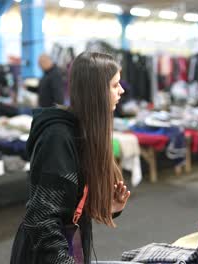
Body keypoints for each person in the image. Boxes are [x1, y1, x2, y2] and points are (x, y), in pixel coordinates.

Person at [10, 52, 130, 264]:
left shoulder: (82, 132)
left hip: (67, 247)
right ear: (96, 91)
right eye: (114, 85)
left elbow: (66, 203)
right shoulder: (58, 137)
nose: (121, 91)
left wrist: (107, 207)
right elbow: (41, 218)